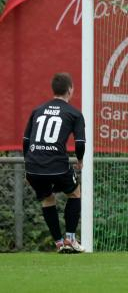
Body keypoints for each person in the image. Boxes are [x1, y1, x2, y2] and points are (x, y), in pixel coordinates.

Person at [23, 72, 86, 253]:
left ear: (54, 89)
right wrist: (79, 160)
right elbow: (80, 143)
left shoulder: (37, 110)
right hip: (58, 164)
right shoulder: (74, 113)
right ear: (70, 89)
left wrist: (28, 169)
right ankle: (71, 240)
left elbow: (26, 141)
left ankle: (58, 242)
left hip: (34, 165)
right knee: (74, 193)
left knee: (47, 199)